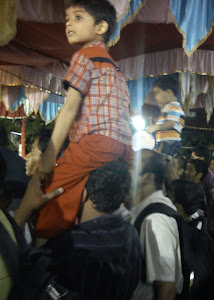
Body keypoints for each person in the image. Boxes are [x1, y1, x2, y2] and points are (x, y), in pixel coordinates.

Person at [32, 0, 133, 240]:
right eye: (67, 19)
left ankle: (40, 250)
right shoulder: (113, 67)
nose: (68, 23)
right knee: (76, 191)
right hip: (121, 145)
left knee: (51, 187)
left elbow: (69, 108)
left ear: (101, 27)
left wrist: (49, 155)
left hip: (96, 141)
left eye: (78, 18)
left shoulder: (85, 55)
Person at [12, 161, 141, 299]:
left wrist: (23, 212)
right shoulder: (130, 235)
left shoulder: (69, 245)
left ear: (83, 194)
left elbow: (24, 280)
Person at [130, 149, 183, 300]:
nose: (125, 169)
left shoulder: (155, 221)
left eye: (131, 165)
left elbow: (166, 288)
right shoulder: (148, 210)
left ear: (147, 177)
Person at [146, 76, 185, 160]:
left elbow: (171, 123)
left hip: (169, 143)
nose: (155, 97)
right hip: (164, 143)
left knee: (164, 164)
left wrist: (155, 127)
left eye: (157, 92)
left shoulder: (174, 106)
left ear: (168, 92)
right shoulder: (166, 108)